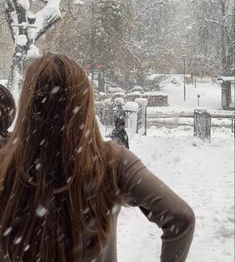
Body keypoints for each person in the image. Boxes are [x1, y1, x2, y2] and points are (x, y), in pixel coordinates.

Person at [0, 54, 195, 262]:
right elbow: (180, 217)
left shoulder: (5, 163)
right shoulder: (112, 160)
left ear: (28, 104)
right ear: (85, 103)